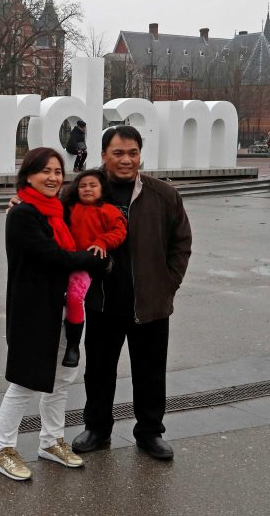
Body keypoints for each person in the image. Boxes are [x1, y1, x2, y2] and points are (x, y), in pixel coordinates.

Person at [72, 125, 191, 461]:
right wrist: (21, 203)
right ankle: (97, 428)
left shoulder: (162, 194)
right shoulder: (88, 189)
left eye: (132, 153)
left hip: (150, 303)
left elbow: (181, 242)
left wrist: (168, 283)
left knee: (150, 372)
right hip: (102, 302)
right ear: (103, 155)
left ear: (140, 154)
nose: (126, 160)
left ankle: (150, 433)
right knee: (99, 371)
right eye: (118, 153)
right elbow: (54, 215)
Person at [0, 148, 108, 481]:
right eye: (45, 171)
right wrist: (93, 260)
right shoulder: (24, 214)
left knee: (61, 381)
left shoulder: (57, 211)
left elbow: (94, 193)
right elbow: (53, 257)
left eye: (58, 171)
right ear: (28, 175)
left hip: (63, 309)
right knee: (25, 382)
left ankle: (51, 441)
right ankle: (1, 449)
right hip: (33, 311)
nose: (53, 177)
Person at [59, 169, 127, 368]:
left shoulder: (108, 210)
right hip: (66, 260)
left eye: (92, 185)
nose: (87, 189)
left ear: (102, 189)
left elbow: (120, 230)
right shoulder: (70, 208)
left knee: (74, 297)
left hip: (87, 265)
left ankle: (73, 345)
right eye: (82, 186)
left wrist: (102, 241)